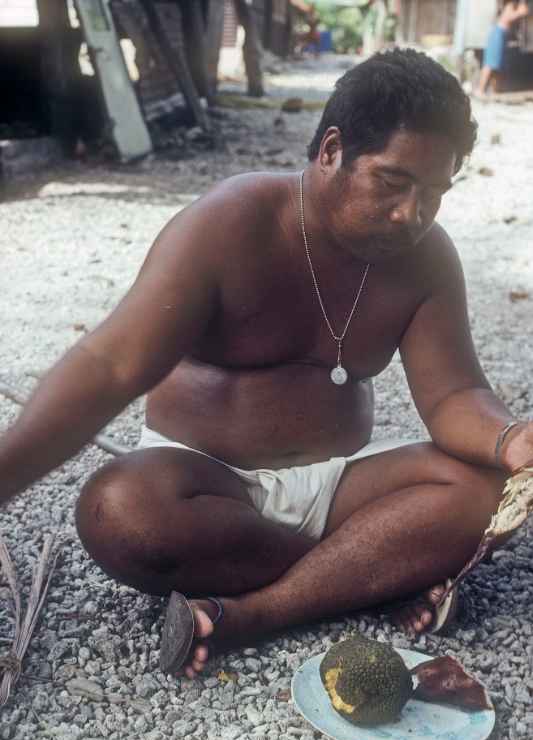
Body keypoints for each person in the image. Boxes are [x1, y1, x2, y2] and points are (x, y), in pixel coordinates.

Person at [1, 49, 532, 680]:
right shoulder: (229, 224)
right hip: (206, 486)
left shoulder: (426, 257)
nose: (412, 214)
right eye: (393, 182)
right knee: (118, 509)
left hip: (342, 484)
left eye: (434, 194)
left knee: (491, 490)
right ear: (331, 150)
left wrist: (512, 438)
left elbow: (453, 397)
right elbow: (110, 364)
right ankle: (370, 573)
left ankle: (258, 612)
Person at [477, 0, 530, 96]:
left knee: (498, 65)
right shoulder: (510, 5)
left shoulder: (515, 5)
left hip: (503, 35)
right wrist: (520, 12)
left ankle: (495, 91)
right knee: (490, 63)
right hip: (498, 34)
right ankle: (480, 90)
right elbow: (508, 18)